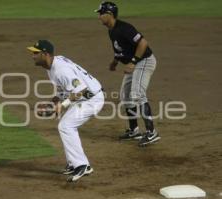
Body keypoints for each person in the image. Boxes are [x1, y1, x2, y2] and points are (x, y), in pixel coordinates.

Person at [27, 40, 104, 181]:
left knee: (66, 126)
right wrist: (55, 102)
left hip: (92, 100)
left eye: (36, 53)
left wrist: (62, 106)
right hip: (83, 98)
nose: (32, 56)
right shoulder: (51, 65)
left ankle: (82, 165)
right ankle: (73, 163)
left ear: (46, 54)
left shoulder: (60, 69)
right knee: (66, 125)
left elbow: (81, 90)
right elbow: (63, 87)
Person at [95, 1, 160, 147]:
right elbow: (120, 49)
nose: (99, 17)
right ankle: (134, 130)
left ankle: (151, 132)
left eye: (101, 13)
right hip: (134, 64)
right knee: (125, 96)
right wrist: (115, 61)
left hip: (144, 61)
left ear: (109, 14)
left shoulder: (125, 28)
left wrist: (133, 62)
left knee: (138, 94)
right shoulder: (111, 30)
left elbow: (143, 43)